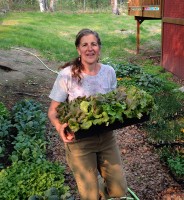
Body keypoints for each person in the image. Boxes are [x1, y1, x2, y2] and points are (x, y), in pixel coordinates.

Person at [48, 28, 127, 200]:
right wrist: (59, 126)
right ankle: (95, 186)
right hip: (79, 142)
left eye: (94, 44)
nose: (89, 48)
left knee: (119, 190)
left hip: (106, 139)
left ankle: (99, 185)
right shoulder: (67, 75)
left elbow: (113, 104)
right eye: (85, 45)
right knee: (89, 196)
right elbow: (53, 111)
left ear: (99, 48)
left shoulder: (109, 72)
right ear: (78, 49)